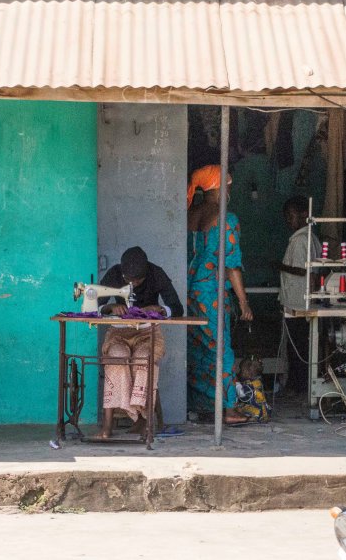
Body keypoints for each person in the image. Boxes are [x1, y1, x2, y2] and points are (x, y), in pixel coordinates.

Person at [186, 164, 254, 424]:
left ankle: (203, 404)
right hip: (211, 293)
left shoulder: (191, 214)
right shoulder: (227, 219)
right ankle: (228, 409)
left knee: (199, 349)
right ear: (220, 187)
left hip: (190, 291)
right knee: (221, 350)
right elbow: (231, 265)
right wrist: (244, 302)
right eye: (228, 185)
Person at [96, 246, 184, 439]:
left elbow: (177, 308)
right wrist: (111, 307)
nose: (133, 285)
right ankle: (107, 426)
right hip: (119, 333)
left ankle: (144, 420)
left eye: (137, 281)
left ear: (146, 273)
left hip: (148, 333)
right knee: (116, 357)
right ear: (122, 273)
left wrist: (160, 309)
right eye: (128, 280)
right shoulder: (114, 274)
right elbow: (95, 306)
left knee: (143, 359)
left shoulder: (157, 274)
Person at [272, 195, 319, 394]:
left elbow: (301, 270)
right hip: (301, 300)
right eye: (287, 218)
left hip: (298, 302)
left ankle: (298, 386)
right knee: (300, 345)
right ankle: (298, 384)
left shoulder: (300, 240)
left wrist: (279, 266)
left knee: (297, 347)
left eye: (291, 216)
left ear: (304, 215)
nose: (289, 221)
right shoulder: (309, 237)